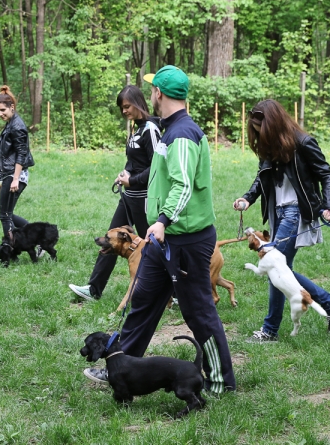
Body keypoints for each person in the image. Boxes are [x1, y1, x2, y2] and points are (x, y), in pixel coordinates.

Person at [83, 66, 236, 395]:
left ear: (159, 95)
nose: (150, 93)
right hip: (163, 240)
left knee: (199, 312)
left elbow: (182, 185)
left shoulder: (181, 134)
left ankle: (222, 380)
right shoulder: (170, 129)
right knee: (143, 301)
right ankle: (120, 367)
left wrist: (163, 220)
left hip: (185, 239)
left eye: (152, 89)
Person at [233, 99, 330, 343]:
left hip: (296, 211)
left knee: (276, 267)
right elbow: (261, 178)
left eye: (262, 132)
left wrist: (329, 205)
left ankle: (269, 331)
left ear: (274, 125)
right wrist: (247, 198)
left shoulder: (303, 143)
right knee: (282, 269)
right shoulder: (269, 146)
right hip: (278, 213)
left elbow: (326, 175)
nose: (260, 138)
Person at [69, 85, 161, 302]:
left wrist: (133, 180)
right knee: (110, 240)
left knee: (154, 246)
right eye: (122, 107)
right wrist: (125, 173)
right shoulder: (135, 129)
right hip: (128, 198)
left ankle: (174, 292)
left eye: (127, 106)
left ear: (139, 103)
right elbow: (134, 161)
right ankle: (93, 289)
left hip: (145, 201)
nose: (124, 111)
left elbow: (158, 167)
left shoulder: (150, 129)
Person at [0, 85, 35, 237]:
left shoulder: (17, 126)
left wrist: (15, 179)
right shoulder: (11, 123)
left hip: (14, 175)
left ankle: (11, 250)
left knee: (5, 215)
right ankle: (38, 237)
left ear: (12, 107)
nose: (0, 113)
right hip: (10, 174)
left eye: (2, 110)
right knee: (6, 214)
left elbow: (22, 153)